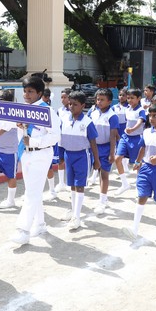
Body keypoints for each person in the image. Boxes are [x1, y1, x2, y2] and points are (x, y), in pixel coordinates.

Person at [10, 77, 61, 245]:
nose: (26, 94)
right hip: (26, 154)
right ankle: (40, 224)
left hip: (41, 154)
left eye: (30, 91)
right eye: (25, 91)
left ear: (39, 93)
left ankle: (23, 230)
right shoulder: (23, 110)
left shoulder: (48, 111)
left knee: (31, 193)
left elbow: (55, 136)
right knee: (34, 190)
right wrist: (21, 127)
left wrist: (34, 142)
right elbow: (22, 134)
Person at [122, 101, 156, 242]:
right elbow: (143, 147)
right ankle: (134, 229)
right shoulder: (145, 132)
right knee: (142, 195)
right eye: (150, 115)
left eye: (155, 116)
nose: (151, 118)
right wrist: (138, 162)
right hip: (146, 168)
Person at [58, 91, 101, 230]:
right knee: (72, 185)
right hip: (68, 155)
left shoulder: (87, 122)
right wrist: (60, 156)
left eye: (75, 104)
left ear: (82, 106)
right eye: (70, 103)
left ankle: (77, 217)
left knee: (80, 185)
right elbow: (60, 140)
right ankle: (73, 211)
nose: (71, 106)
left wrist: (96, 160)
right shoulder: (64, 120)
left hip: (82, 156)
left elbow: (93, 142)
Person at [88, 88, 119, 215]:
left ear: (109, 101)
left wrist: (112, 153)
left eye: (102, 100)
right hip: (94, 147)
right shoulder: (93, 113)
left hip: (106, 148)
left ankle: (102, 201)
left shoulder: (112, 116)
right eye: (97, 99)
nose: (99, 102)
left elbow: (113, 136)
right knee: (99, 172)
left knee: (104, 174)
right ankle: (103, 198)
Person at [115, 88, 146, 195]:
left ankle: (139, 186)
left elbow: (140, 121)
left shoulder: (141, 110)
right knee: (117, 158)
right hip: (125, 137)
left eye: (132, 98)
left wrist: (133, 129)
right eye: (128, 98)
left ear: (139, 98)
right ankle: (124, 184)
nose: (130, 100)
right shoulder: (127, 109)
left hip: (137, 138)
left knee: (138, 163)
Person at [54, 88, 72, 193]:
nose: (63, 99)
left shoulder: (74, 110)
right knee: (60, 161)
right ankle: (61, 183)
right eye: (61, 97)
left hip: (71, 140)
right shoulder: (60, 111)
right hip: (61, 140)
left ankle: (70, 183)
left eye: (65, 97)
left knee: (69, 161)